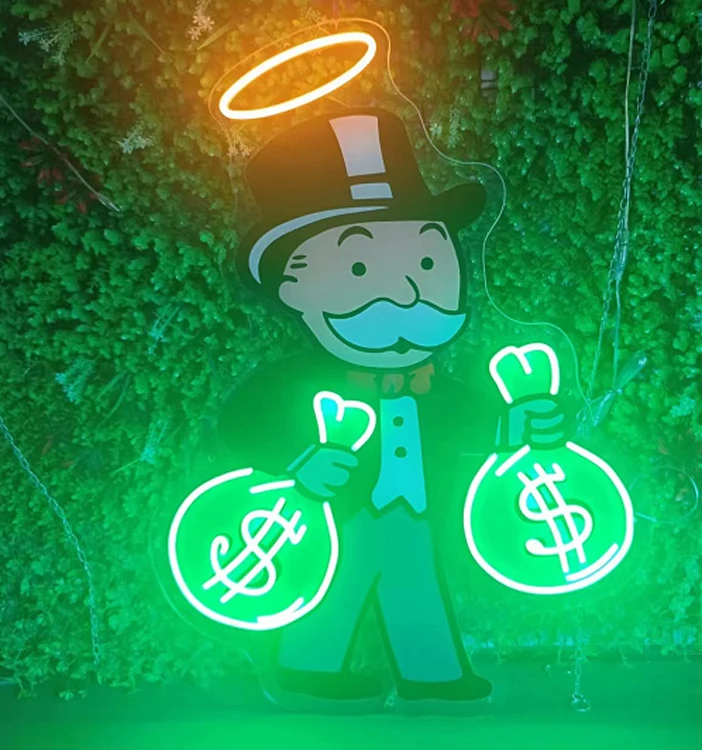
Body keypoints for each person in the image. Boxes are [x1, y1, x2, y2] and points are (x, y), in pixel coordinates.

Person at [217, 107, 568, 705]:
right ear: (293, 286)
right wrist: (300, 459)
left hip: (416, 506)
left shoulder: (433, 382)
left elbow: (461, 416)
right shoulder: (300, 378)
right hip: (340, 509)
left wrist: (515, 423)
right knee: (337, 579)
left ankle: (430, 675)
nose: (406, 294)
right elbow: (243, 421)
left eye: (427, 263)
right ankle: (310, 667)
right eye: (358, 266)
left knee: (415, 577)